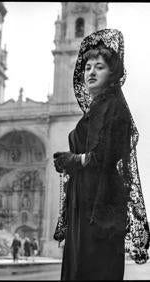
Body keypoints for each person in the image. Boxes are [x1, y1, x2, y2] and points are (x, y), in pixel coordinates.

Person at [53, 29, 150, 280]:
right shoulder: (97, 108)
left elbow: (101, 157)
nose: (91, 72)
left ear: (112, 74)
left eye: (99, 67)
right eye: (87, 68)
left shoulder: (112, 107)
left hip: (97, 204)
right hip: (84, 201)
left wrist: (71, 160)